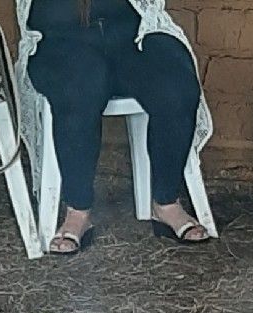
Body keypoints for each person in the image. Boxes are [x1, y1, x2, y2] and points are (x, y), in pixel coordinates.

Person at [16, 0, 214, 255]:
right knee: (79, 88)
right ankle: (78, 210)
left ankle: (166, 203)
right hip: (61, 38)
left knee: (175, 86)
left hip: (133, 33)